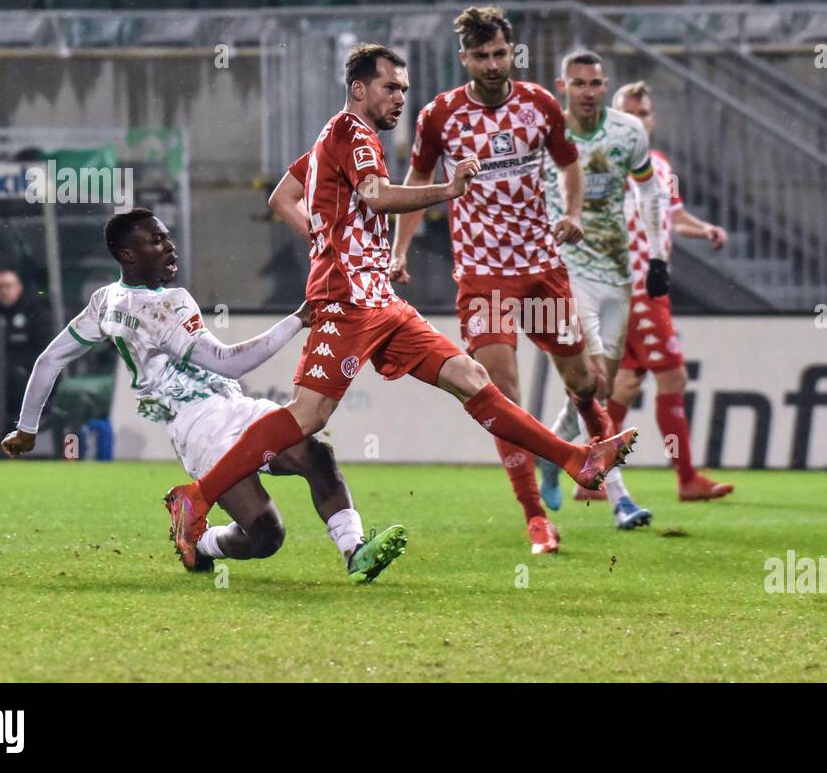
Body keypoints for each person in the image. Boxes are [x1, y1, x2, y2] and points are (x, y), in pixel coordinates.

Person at [166, 42, 637, 568]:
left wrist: (323, 241)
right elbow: (375, 194)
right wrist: (449, 189)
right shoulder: (352, 132)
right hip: (348, 300)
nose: (399, 99)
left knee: (471, 377)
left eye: (404, 91)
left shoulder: (331, 137)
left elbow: (282, 197)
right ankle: (199, 497)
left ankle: (577, 459)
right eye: (390, 88)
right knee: (307, 416)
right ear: (358, 88)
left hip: (380, 300)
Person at [0, 208, 408, 582]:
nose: (169, 246)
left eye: (166, 237)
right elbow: (229, 362)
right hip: (200, 429)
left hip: (232, 407)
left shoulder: (106, 300)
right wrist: (297, 320)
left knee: (317, 456)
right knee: (266, 536)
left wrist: (27, 428)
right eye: (156, 242)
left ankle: (354, 551)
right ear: (127, 255)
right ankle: (201, 542)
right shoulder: (167, 305)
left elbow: (48, 361)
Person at [389, 7, 635, 554]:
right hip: (483, 277)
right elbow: (417, 181)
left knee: (584, 383)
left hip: (542, 269)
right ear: (465, 59)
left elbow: (569, 164)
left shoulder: (540, 105)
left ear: (511, 52)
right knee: (500, 393)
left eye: (500, 53)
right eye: (481, 56)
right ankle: (536, 519)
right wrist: (399, 249)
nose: (493, 64)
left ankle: (608, 480)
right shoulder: (441, 115)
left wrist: (571, 212)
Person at [532, 49, 672, 527]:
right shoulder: (547, 133)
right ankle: (620, 498)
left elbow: (649, 190)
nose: (588, 92)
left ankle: (551, 453)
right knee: (592, 384)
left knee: (600, 387)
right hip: (565, 271)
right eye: (579, 83)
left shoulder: (627, 133)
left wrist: (655, 255)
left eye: (595, 84)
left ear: (604, 86)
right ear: (562, 85)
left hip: (616, 272)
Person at [607, 81, 734, 501]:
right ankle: (686, 479)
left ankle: (592, 475)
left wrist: (705, 230)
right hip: (635, 285)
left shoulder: (659, 163)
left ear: (652, 119)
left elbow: (673, 217)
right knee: (672, 375)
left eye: (643, 114)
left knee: (625, 383)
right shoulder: (611, 163)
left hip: (651, 283)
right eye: (628, 115)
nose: (638, 122)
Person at [0, 264, 53, 428]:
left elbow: (45, 353)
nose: (3, 291)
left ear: (19, 287)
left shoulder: (35, 312)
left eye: (8, 286)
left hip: (26, 377)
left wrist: (16, 366)